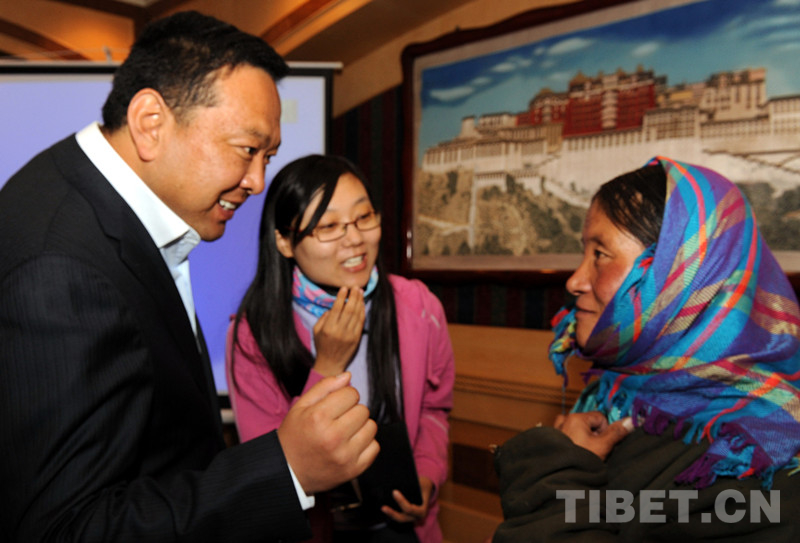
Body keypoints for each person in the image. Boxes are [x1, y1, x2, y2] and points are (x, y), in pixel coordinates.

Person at [0, 12, 379, 543]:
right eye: (247, 150)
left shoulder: (90, 200)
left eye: (268, 157)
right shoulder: (61, 269)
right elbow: (66, 528)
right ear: (151, 122)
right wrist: (287, 468)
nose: (257, 182)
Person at [492, 156, 800, 541]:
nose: (574, 281)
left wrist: (559, 472)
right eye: (584, 253)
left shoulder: (761, 459)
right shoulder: (615, 394)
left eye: (600, 255)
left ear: (675, 277)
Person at [226, 154, 455, 543]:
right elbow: (273, 467)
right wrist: (328, 364)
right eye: (329, 226)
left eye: (364, 217)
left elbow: (435, 408)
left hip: (404, 529)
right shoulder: (253, 334)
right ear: (284, 241)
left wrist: (427, 475)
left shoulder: (418, 307)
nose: (354, 239)